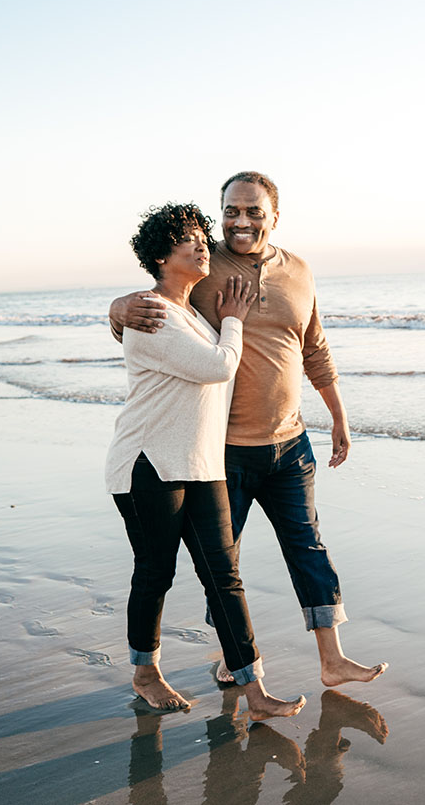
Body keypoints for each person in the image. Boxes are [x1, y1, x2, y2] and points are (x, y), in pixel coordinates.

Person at [110, 172, 387, 687]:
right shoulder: (206, 266)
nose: (241, 221)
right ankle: (231, 656)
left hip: (290, 440)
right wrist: (117, 309)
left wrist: (339, 417)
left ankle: (332, 659)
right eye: (231, 211)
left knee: (308, 547)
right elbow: (159, 305)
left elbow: (314, 347)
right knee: (223, 566)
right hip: (223, 451)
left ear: (274, 216)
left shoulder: (300, 271)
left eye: (253, 211)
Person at [106, 201, 305, 719]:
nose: (201, 244)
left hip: (199, 463)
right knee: (156, 571)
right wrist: (235, 320)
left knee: (224, 573)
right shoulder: (151, 314)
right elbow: (218, 367)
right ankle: (145, 672)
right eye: (187, 238)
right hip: (148, 463)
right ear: (159, 256)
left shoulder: (192, 312)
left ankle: (254, 688)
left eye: (202, 235)